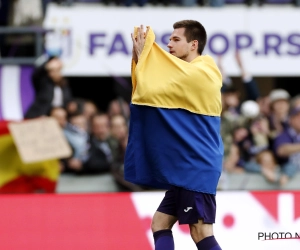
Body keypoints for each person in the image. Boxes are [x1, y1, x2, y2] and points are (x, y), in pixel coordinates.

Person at [125, 21, 223, 250]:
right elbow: (153, 89)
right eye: (168, 40)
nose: (168, 44)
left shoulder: (204, 70)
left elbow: (153, 87)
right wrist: (143, 61)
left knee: (201, 232)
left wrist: (148, 58)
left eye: (176, 40)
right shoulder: (181, 75)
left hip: (196, 166)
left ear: (193, 45)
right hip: (187, 166)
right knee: (159, 223)